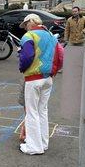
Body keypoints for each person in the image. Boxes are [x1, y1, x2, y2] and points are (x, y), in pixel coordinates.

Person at [18, 13, 64, 155]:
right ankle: (43, 143)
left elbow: (26, 57)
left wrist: (22, 66)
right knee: (42, 111)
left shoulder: (29, 36)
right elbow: (61, 55)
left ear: (29, 23)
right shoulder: (51, 36)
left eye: (25, 25)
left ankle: (33, 147)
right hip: (48, 78)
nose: (25, 28)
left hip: (33, 78)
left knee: (32, 113)